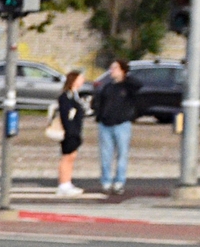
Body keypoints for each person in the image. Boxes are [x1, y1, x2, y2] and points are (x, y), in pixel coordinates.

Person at [92, 58, 137, 200]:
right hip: (105, 125)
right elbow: (98, 102)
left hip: (122, 124)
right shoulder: (107, 86)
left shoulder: (128, 86)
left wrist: (125, 77)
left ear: (122, 70)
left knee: (122, 154)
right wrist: (99, 116)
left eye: (115, 68)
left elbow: (138, 86)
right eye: (111, 68)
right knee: (106, 155)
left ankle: (119, 181)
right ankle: (106, 181)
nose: (112, 71)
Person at [52, 68, 87, 197]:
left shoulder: (75, 95)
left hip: (75, 131)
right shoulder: (65, 96)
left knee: (71, 158)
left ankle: (68, 182)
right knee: (66, 158)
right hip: (69, 132)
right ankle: (63, 184)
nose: (82, 81)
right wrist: (69, 131)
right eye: (80, 78)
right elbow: (65, 116)